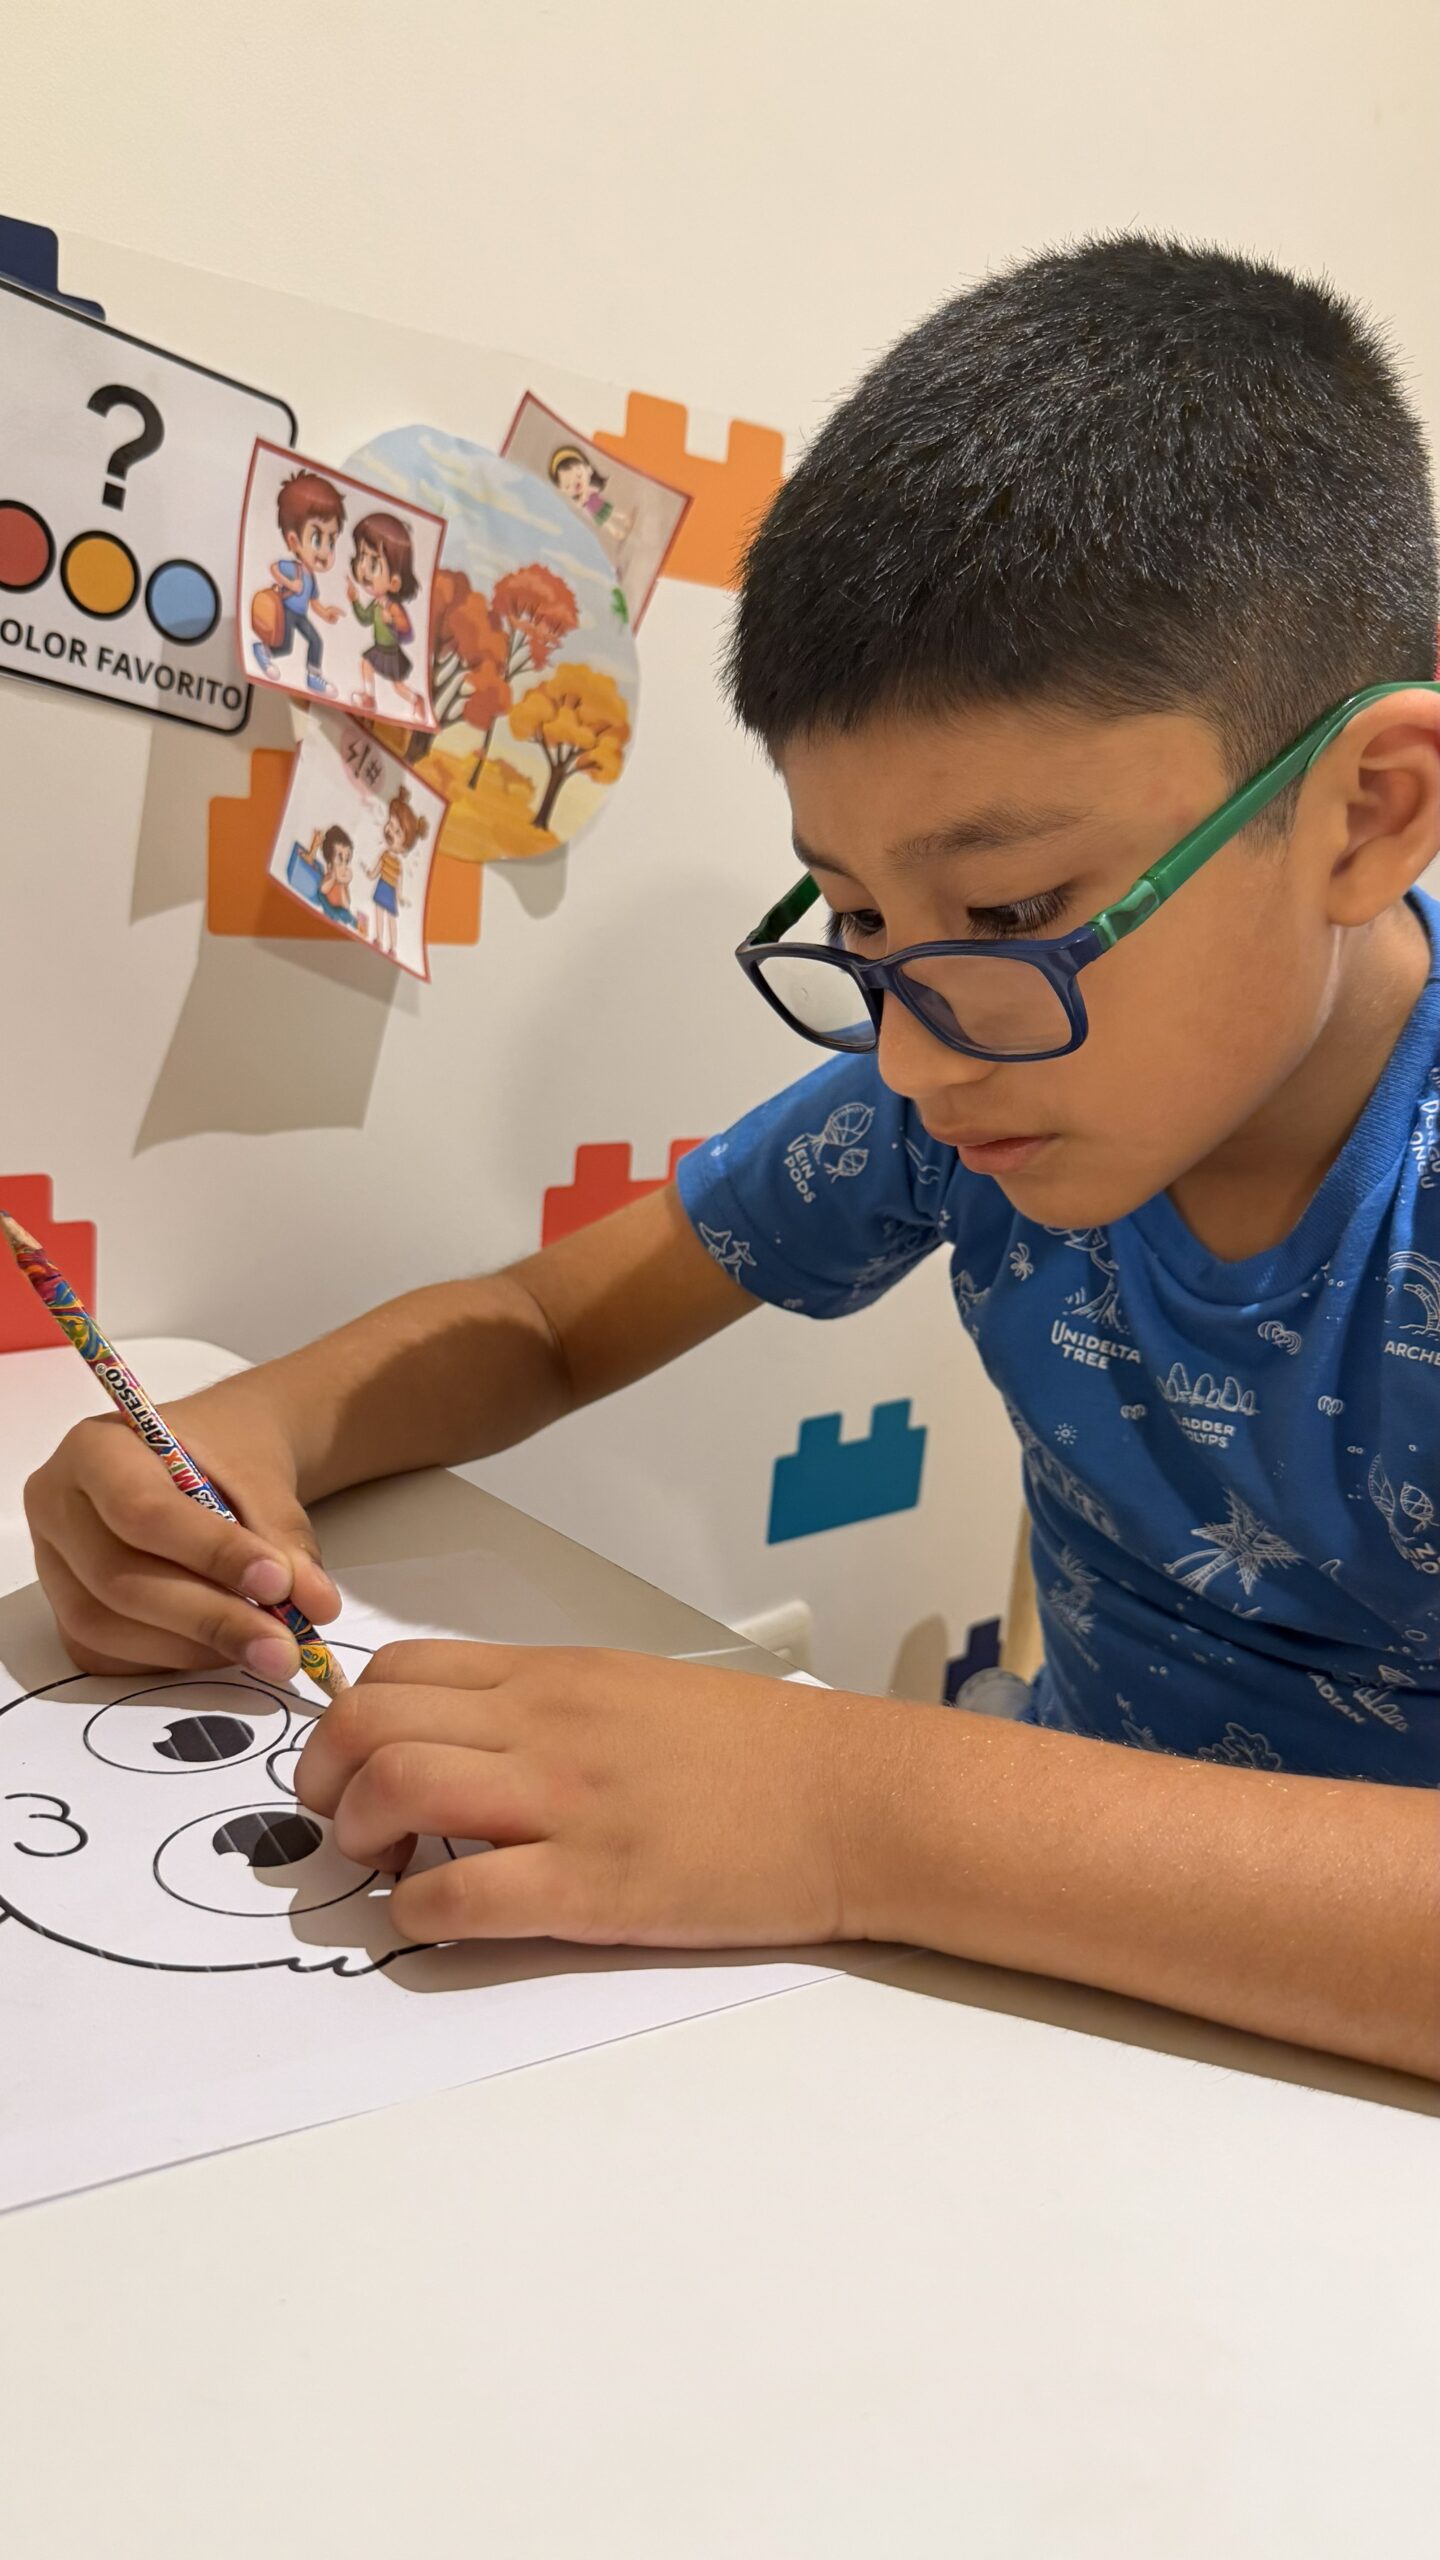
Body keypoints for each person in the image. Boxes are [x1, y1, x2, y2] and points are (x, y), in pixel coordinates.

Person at [25, 236, 1440, 2081]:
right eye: (856, 918)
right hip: (1053, 1995)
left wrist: (863, 1811)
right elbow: (544, 1325)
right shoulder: (975, 1079)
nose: (914, 1055)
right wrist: (249, 1437)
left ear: (1370, 813)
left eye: (1013, 909)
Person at [254, 470, 345, 696]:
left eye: (331, 542)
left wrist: (325, 613)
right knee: (284, 646)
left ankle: (314, 677)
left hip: (300, 615)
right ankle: (261, 650)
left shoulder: (311, 577)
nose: (325, 551)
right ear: (294, 540)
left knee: (316, 640)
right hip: (284, 611)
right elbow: (274, 568)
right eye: (317, 539)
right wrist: (289, 583)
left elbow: (313, 600)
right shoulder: (293, 568)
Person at [347, 512, 425, 722]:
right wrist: (354, 601)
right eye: (361, 558)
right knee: (365, 664)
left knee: (397, 685)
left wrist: (393, 621)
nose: (363, 569)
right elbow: (364, 619)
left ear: (394, 583)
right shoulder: (376, 603)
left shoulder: (393, 607)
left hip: (391, 652)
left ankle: (416, 700)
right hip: (379, 649)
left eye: (373, 564)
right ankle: (369, 698)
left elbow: (407, 632)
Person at [362, 784, 427, 960]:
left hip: (389, 890)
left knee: (391, 918)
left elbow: (399, 882)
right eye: (390, 824)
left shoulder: (398, 864)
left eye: (397, 832)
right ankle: (378, 939)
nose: (390, 831)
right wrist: (369, 874)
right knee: (378, 913)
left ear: (405, 845)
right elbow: (376, 871)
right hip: (381, 885)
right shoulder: (384, 855)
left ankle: (392, 947)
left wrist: (399, 897)